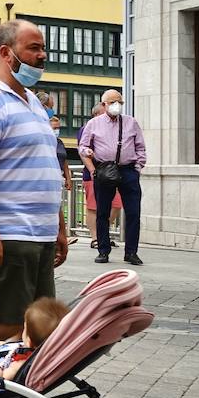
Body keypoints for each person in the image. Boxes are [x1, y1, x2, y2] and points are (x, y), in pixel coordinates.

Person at [0, 20, 68, 346]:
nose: (42, 55)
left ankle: (6, 378)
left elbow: (46, 168)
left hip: (37, 233)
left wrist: (58, 226)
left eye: (43, 48)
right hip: (8, 232)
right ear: (6, 53)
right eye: (33, 48)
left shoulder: (32, 102)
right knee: (4, 322)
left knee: (39, 325)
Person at [79, 89, 147, 266]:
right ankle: (103, 250)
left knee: (133, 212)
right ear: (104, 104)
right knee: (103, 211)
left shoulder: (131, 122)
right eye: (112, 102)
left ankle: (131, 252)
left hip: (128, 170)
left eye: (120, 102)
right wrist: (92, 166)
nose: (117, 105)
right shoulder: (94, 123)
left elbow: (140, 146)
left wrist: (138, 167)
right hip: (104, 170)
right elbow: (82, 147)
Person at [79, 103, 122, 250]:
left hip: (111, 174)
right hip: (94, 173)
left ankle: (103, 234)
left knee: (116, 204)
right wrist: (92, 171)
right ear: (97, 114)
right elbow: (83, 151)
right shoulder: (88, 128)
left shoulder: (113, 127)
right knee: (93, 207)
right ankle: (95, 238)